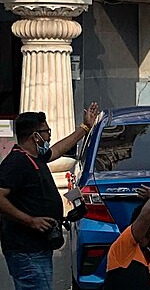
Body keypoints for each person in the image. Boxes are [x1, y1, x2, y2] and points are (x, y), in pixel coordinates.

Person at [0, 104, 102, 290]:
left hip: (38, 247)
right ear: (34, 136)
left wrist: (85, 128)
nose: (49, 135)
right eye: (46, 131)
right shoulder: (17, 162)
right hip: (26, 250)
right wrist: (30, 220)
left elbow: (58, 149)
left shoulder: (34, 157)